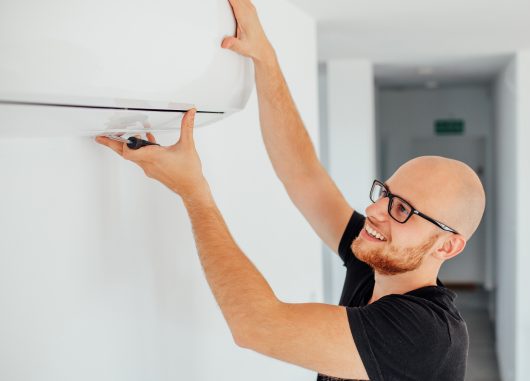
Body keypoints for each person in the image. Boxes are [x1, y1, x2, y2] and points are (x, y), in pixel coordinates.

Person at [96, 0, 485, 379]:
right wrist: (266, 59)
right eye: (385, 193)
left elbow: (256, 325)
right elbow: (304, 176)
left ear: (447, 245)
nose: (376, 211)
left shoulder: (426, 336)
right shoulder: (376, 262)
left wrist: (194, 193)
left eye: (402, 210)